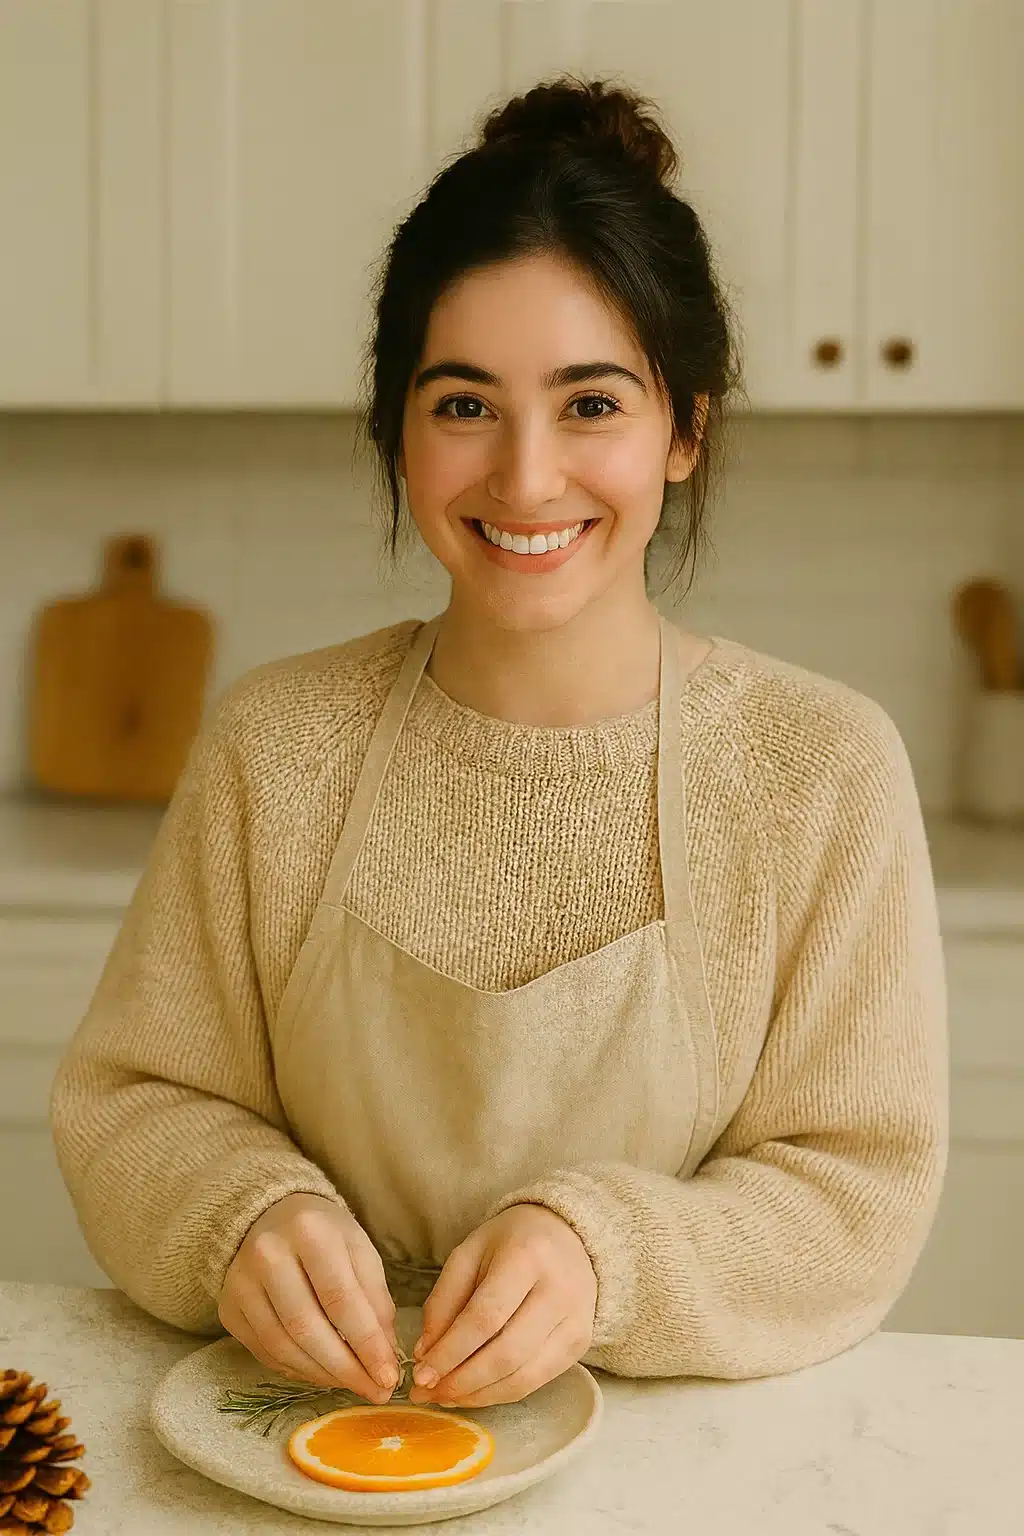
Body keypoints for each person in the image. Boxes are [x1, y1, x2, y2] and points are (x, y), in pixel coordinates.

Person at [49, 76, 948, 1412]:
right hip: (311, 1452)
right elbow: (134, 1100)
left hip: (687, 1476)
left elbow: (860, 1191)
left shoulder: (819, 769)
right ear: (398, 431)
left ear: (684, 430)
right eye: (464, 405)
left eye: (592, 405)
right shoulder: (277, 745)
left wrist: (610, 1259)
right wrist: (238, 1212)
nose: (526, 479)